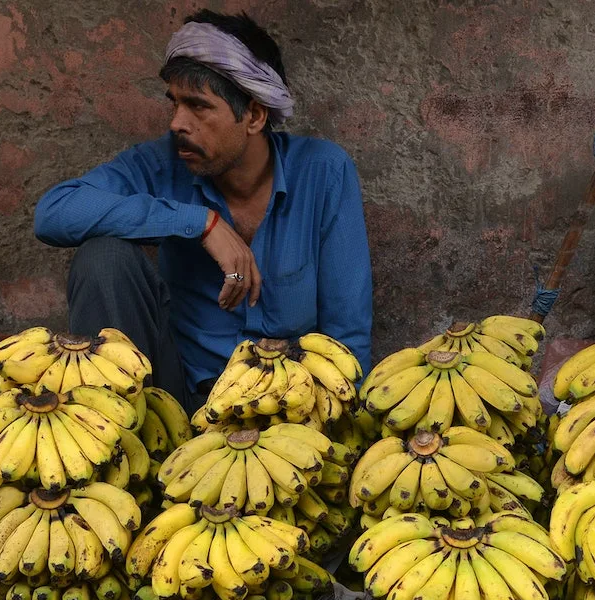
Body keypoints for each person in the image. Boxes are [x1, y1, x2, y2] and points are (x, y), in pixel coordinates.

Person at [34, 9, 372, 411]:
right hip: (179, 398)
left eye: (198, 106)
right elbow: (53, 212)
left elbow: (347, 332)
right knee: (103, 257)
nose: (178, 122)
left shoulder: (323, 172)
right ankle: (111, 434)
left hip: (288, 407)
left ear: (254, 114)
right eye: (174, 103)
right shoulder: (160, 164)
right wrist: (199, 223)